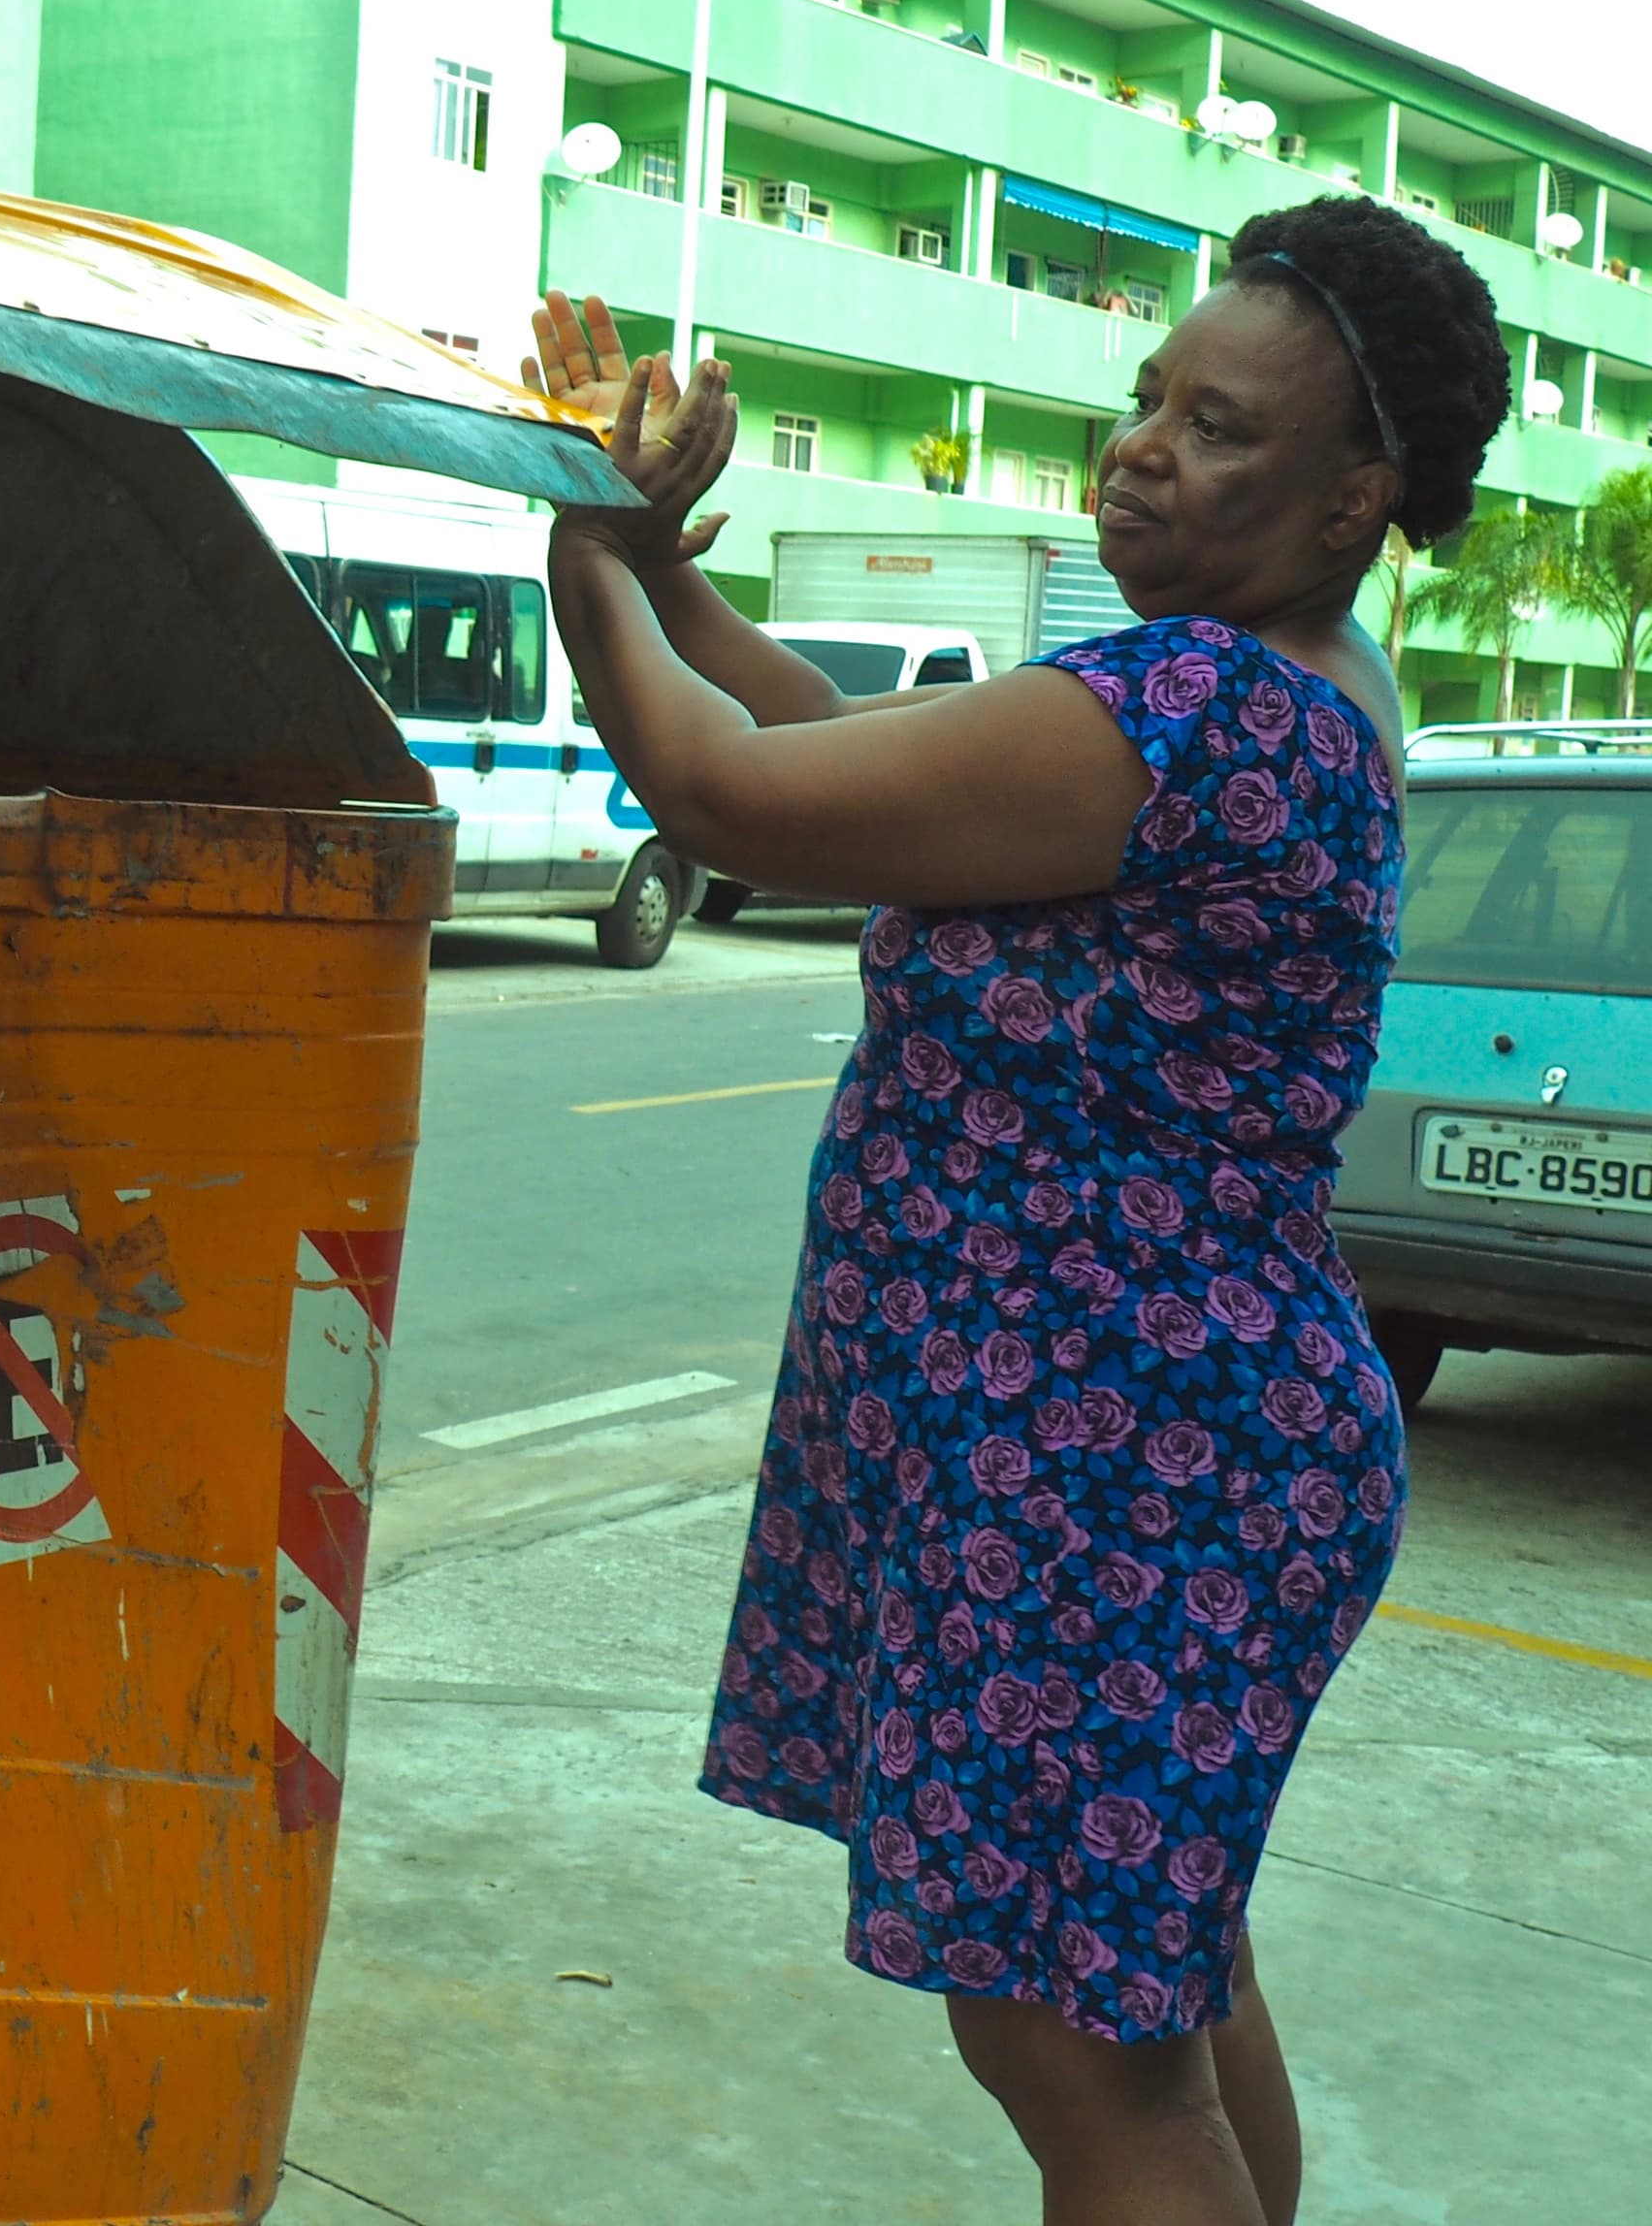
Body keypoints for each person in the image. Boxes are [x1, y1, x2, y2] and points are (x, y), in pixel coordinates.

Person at [523, 193, 1509, 2226]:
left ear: (1355, 498)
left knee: (1080, 2051)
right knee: (1156, 1999)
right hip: (1157, 1433)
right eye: (1151, 398)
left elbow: (723, 799)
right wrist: (666, 588)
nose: (1145, 444)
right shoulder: (1283, 686)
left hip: (1118, 1457)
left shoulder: (1201, 721)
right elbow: (848, 744)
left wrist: (588, 531)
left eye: (1221, 427)